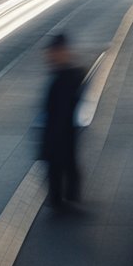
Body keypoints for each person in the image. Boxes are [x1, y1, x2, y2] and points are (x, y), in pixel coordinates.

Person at [42, 33, 84, 207]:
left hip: (60, 132)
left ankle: (61, 199)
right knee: (67, 163)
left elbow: (61, 108)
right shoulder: (67, 74)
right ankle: (66, 196)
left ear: (62, 52)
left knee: (61, 163)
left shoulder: (65, 77)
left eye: (53, 52)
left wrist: (53, 135)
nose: (49, 55)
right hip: (62, 131)